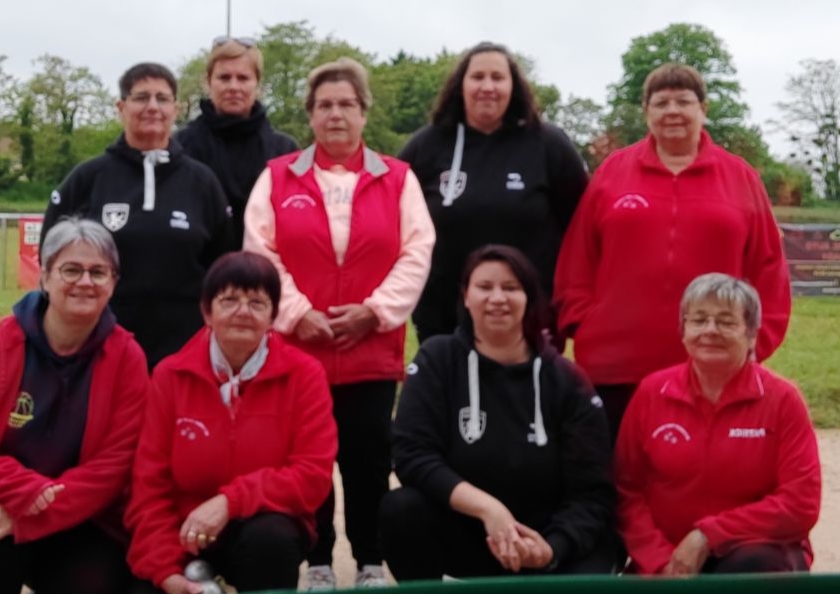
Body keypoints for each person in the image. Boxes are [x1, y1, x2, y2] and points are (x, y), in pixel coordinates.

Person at [243, 57, 435, 589]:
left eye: (346, 104)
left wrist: (375, 310)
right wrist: (296, 314)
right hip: (297, 352)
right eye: (324, 105)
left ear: (363, 113)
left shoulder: (399, 179)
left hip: (370, 351)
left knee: (367, 460)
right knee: (307, 460)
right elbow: (262, 251)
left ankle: (371, 561)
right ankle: (320, 561)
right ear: (310, 115)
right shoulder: (278, 177)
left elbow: (417, 251)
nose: (335, 115)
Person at [554, 63, 791, 443]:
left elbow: (768, 268)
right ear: (647, 111)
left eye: (684, 101)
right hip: (615, 369)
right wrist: (584, 323)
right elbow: (578, 259)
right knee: (613, 484)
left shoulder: (740, 177)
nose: (672, 111)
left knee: (696, 485)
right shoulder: (613, 173)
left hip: (709, 369)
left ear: (704, 109)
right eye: (661, 102)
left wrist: (751, 343)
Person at [379, 244, 617, 581]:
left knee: (600, 547)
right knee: (401, 509)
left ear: (529, 298)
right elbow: (412, 455)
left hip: (544, 536)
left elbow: (593, 491)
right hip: (470, 531)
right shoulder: (438, 360)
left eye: (510, 288)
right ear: (465, 296)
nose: (497, 298)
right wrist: (488, 509)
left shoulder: (565, 379)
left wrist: (552, 547)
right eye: (484, 287)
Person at [0, 217, 151, 594]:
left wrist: (32, 513)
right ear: (43, 276)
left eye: (98, 272)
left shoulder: (127, 358)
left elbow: (114, 466)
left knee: (96, 579)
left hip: (81, 514)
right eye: (71, 269)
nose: (85, 282)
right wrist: (20, 492)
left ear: (114, 283)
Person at [126, 251, 337, 594]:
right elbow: (149, 485)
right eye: (229, 300)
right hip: (185, 534)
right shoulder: (169, 375)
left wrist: (229, 501)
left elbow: (312, 476)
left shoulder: (305, 375)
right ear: (206, 312)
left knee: (270, 540)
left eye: (256, 302)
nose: (243, 311)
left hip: (264, 527)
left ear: (273, 316)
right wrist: (165, 569)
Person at [615, 273, 820, 575]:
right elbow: (626, 489)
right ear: (683, 330)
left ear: (751, 334)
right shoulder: (651, 392)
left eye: (726, 322)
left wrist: (709, 535)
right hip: (667, 557)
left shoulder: (782, 399)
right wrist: (658, 558)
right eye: (698, 320)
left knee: (757, 565)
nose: (710, 331)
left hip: (755, 552)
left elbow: (800, 502)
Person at [41, 62, 233, 369]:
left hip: (184, 348)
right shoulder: (88, 179)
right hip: (100, 346)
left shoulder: (202, 182)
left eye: (162, 98)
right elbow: (50, 261)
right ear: (121, 106)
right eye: (141, 97)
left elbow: (223, 267)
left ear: (176, 108)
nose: (153, 107)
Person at [399, 41, 588, 344]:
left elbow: (581, 228)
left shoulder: (548, 145)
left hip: (531, 322)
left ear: (514, 86)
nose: (487, 86)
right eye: (477, 77)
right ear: (461, 86)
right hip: (443, 322)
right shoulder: (427, 146)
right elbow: (394, 219)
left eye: (498, 78)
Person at [176, 36, 298, 247]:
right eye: (224, 78)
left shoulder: (285, 150)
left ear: (258, 84)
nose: (234, 86)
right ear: (208, 82)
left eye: (243, 78)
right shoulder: (181, 145)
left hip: (265, 272)